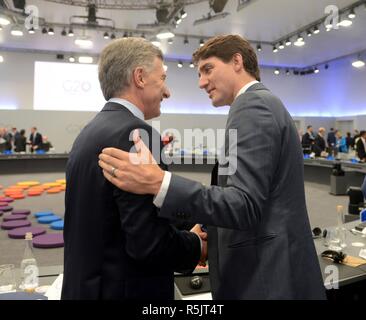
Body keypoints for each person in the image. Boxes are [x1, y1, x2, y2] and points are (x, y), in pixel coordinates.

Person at [98, 35, 326, 299]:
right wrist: (202, 231)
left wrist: (159, 183)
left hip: (268, 279)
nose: (201, 82)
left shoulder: (252, 106)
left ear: (237, 61)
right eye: (199, 73)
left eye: (208, 69)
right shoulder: (260, 104)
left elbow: (244, 205)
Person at [61, 38, 206, 300]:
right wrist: (196, 245)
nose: (167, 92)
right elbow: (148, 245)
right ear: (140, 77)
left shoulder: (88, 133)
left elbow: (115, 218)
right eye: (162, 78)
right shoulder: (139, 136)